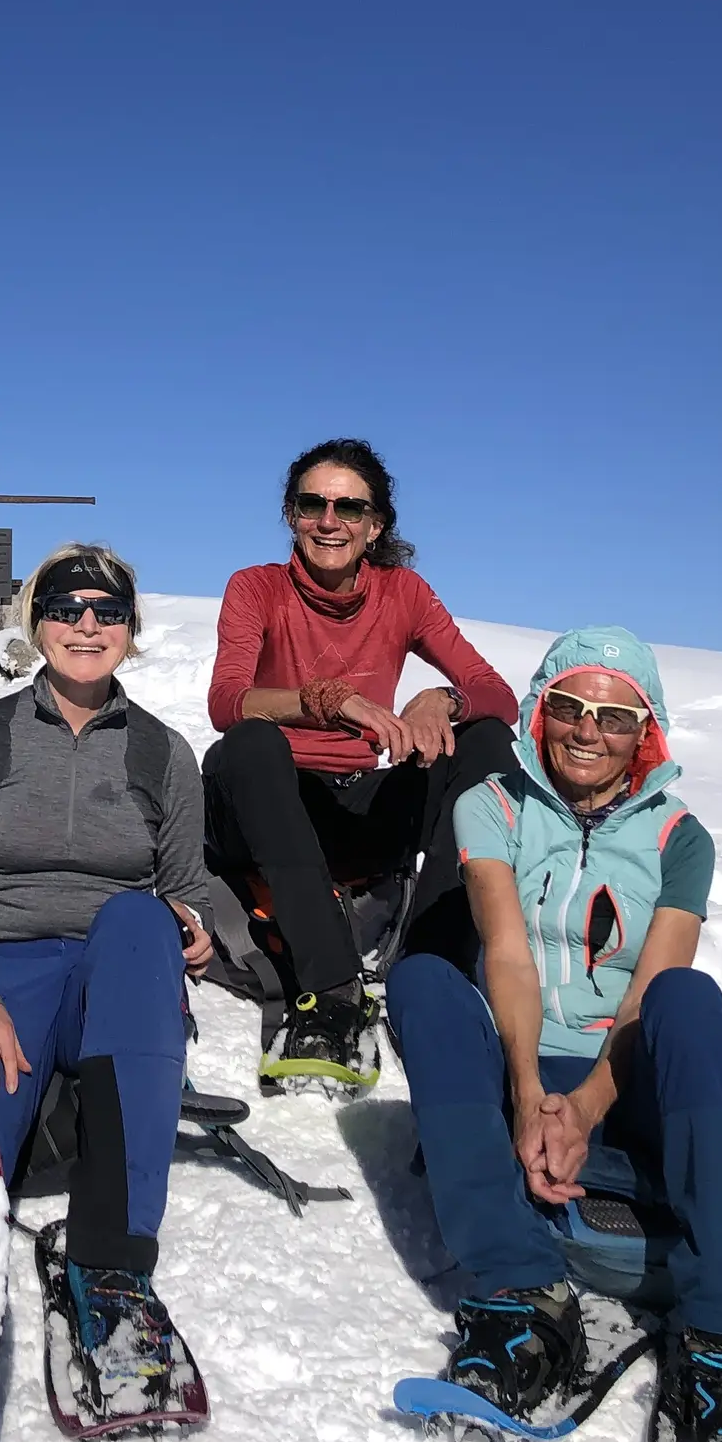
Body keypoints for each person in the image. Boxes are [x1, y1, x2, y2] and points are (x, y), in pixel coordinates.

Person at [387, 627, 722, 1442]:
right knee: (425, 981)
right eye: (572, 708)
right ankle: (522, 1294)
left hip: (627, 1067)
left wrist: (582, 1110)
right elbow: (504, 951)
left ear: (644, 732)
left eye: (615, 718)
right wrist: (531, 1088)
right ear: (542, 711)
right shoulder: (491, 806)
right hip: (525, 1048)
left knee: (688, 1001)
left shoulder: (681, 838)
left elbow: (651, 990)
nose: (588, 731)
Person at [0, 546, 215, 1411]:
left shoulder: (163, 752)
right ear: (37, 623)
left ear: (130, 630)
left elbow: (187, 889)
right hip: (1, 966)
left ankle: (112, 1264)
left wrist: (191, 925)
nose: (88, 625)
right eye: (69, 608)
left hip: (115, 971)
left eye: (108, 611)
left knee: (136, 916)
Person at [203, 437, 518, 1089]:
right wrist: (325, 701)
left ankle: (431, 971)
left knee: (486, 741)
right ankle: (333, 992)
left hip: (358, 803)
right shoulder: (257, 588)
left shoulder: (402, 594)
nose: (329, 520)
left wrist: (442, 699)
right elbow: (227, 701)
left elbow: (499, 696)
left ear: (375, 527)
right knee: (250, 742)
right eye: (313, 503)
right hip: (274, 806)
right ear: (291, 514)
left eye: (349, 507)